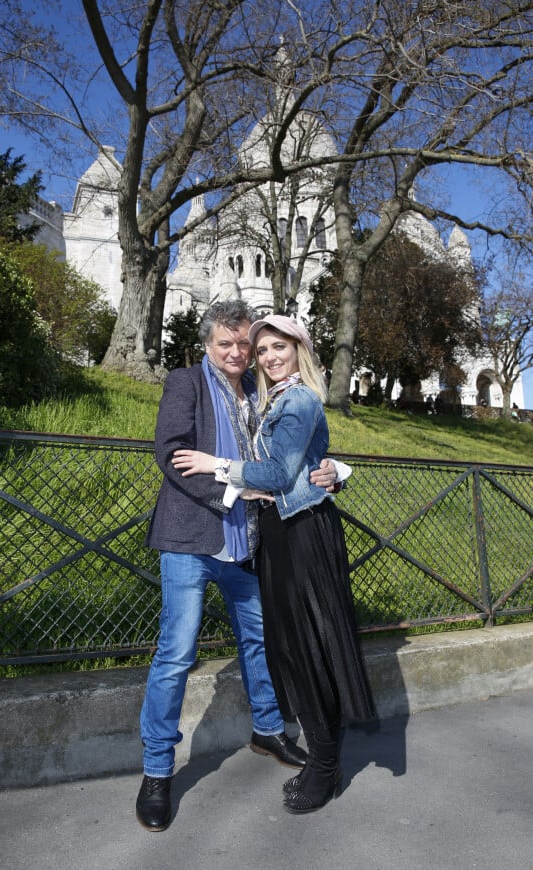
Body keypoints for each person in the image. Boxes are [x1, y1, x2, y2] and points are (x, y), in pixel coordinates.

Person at [137, 301, 339, 832]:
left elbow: (296, 448)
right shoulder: (186, 383)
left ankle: (268, 729)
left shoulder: (261, 390)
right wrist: (232, 492)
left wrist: (336, 469)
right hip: (191, 539)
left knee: (260, 641)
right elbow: (171, 452)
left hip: (247, 542)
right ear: (208, 344)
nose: (236, 352)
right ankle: (157, 771)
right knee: (176, 653)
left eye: (243, 344)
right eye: (226, 344)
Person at [173, 314, 377, 815]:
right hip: (280, 534)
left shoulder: (300, 397)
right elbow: (314, 453)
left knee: (310, 649)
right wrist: (336, 470)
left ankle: (326, 765)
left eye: (277, 346)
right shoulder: (275, 401)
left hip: (304, 535)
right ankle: (324, 756)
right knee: (293, 649)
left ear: (298, 349)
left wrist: (215, 464)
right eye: (261, 350)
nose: (267, 356)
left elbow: (283, 473)